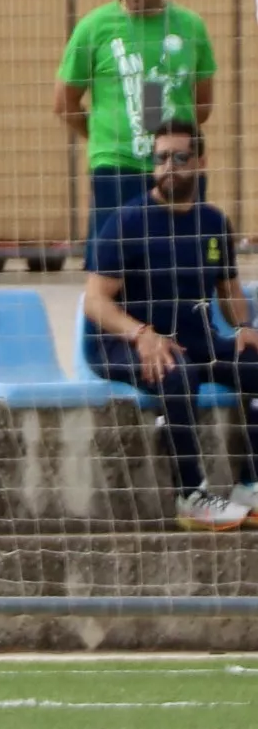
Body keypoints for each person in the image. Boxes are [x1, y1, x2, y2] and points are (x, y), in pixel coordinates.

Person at [79, 118, 258, 531]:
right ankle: (191, 497)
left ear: (201, 160)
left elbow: (229, 289)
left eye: (180, 157)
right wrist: (141, 334)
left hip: (194, 339)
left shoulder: (213, 223)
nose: (170, 167)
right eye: (161, 158)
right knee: (177, 374)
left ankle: (249, 484)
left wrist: (245, 325)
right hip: (121, 343)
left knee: (253, 362)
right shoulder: (128, 222)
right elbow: (94, 301)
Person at [57, 0, 216, 233]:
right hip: (117, 166)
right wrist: (104, 136)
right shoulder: (94, 28)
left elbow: (203, 104)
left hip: (177, 168)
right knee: (112, 260)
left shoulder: (191, 26)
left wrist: (172, 140)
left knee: (181, 258)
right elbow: (64, 101)